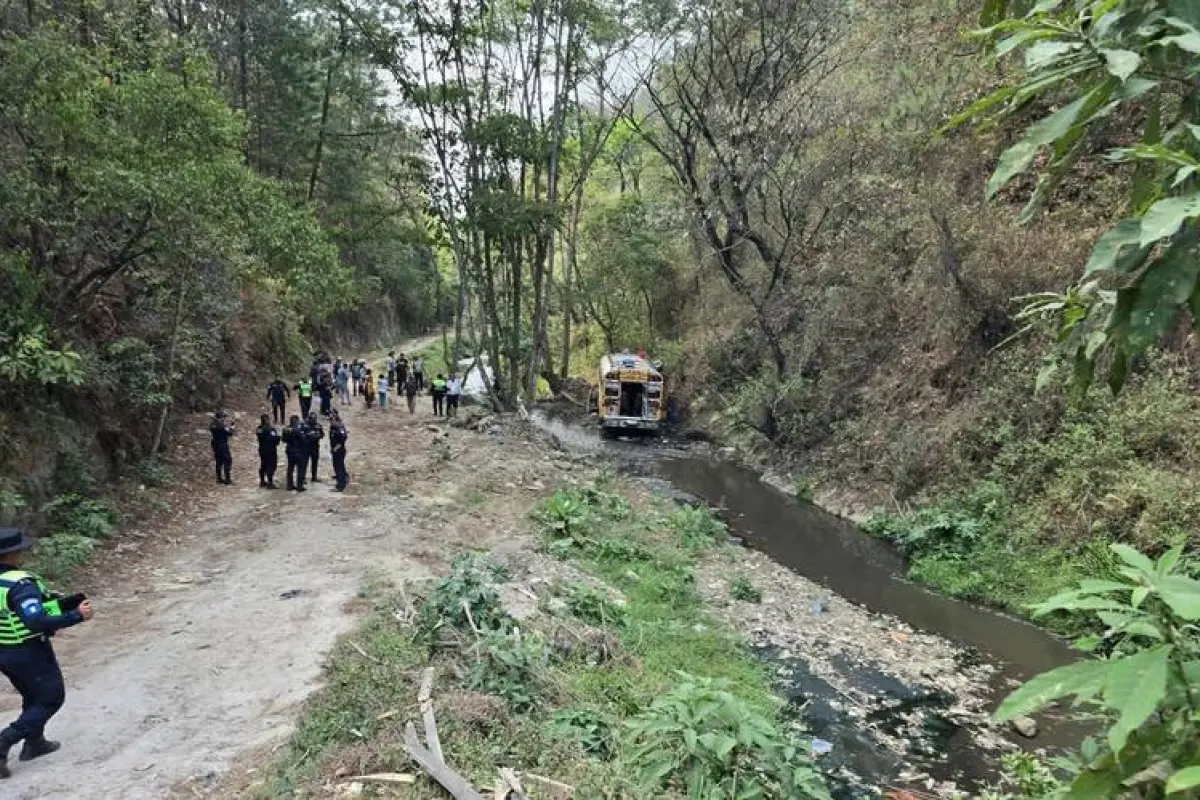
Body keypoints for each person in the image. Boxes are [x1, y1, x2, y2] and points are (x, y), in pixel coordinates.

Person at [0, 528, 94, 779]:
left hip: (5, 650)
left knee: (32, 695)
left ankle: (35, 743)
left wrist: (58, 604)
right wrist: (76, 615)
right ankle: (4, 740)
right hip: (28, 649)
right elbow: (36, 620)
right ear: (12, 554)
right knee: (51, 697)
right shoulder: (19, 584)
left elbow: (16, 611)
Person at [282, 415, 308, 491]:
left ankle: (289, 485)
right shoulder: (298, 430)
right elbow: (304, 440)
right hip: (298, 451)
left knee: (290, 468)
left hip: (289, 451)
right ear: (296, 421)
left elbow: (283, 439)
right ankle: (299, 486)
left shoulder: (286, 429)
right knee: (300, 469)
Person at [256, 414, 281, 489]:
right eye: (267, 419)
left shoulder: (259, 428)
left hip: (262, 449)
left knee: (263, 464)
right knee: (271, 465)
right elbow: (275, 438)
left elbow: (259, 437)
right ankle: (270, 483)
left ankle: (262, 481)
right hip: (270, 450)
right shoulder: (270, 429)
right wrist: (278, 437)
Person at [209, 411, 234, 485]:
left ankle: (219, 478)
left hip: (215, 443)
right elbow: (229, 433)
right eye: (223, 417)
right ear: (219, 418)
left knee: (219, 461)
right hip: (222, 444)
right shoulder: (221, 425)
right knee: (227, 460)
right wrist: (232, 427)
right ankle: (227, 479)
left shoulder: (213, 424)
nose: (224, 419)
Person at [329, 414, 349, 492]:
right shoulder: (333, 428)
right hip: (335, 450)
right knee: (338, 466)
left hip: (339, 451)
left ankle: (340, 485)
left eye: (332, 420)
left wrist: (337, 447)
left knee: (339, 468)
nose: (330, 422)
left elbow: (343, 438)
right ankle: (343, 480)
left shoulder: (339, 428)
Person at [304, 412, 325, 483]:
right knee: (304, 463)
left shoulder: (318, 426)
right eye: (312, 418)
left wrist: (318, 436)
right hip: (306, 447)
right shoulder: (305, 426)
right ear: (309, 419)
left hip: (315, 446)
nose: (314, 420)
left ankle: (314, 477)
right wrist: (309, 435)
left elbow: (322, 435)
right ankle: (303, 478)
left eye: (315, 418)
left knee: (315, 462)